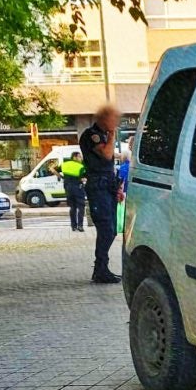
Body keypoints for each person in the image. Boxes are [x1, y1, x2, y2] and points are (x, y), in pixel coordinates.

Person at [80, 104, 123, 283]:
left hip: (107, 185)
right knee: (106, 228)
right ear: (104, 119)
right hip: (97, 186)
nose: (116, 122)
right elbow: (106, 155)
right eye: (113, 118)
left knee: (111, 229)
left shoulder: (105, 136)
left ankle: (102, 268)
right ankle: (100, 270)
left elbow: (110, 164)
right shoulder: (92, 135)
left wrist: (117, 188)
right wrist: (113, 135)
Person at [60, 151, 87, 233]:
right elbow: (84, 177)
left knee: (73, 207)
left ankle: (73, 226)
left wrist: (61, 177)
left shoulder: (64, 164)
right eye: (79, 157)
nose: (81, 158)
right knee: (81, 207)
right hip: (78, 188)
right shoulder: (81, 166)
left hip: (68, 188)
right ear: (74, 157)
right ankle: (80, 226)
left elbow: (52, 169)